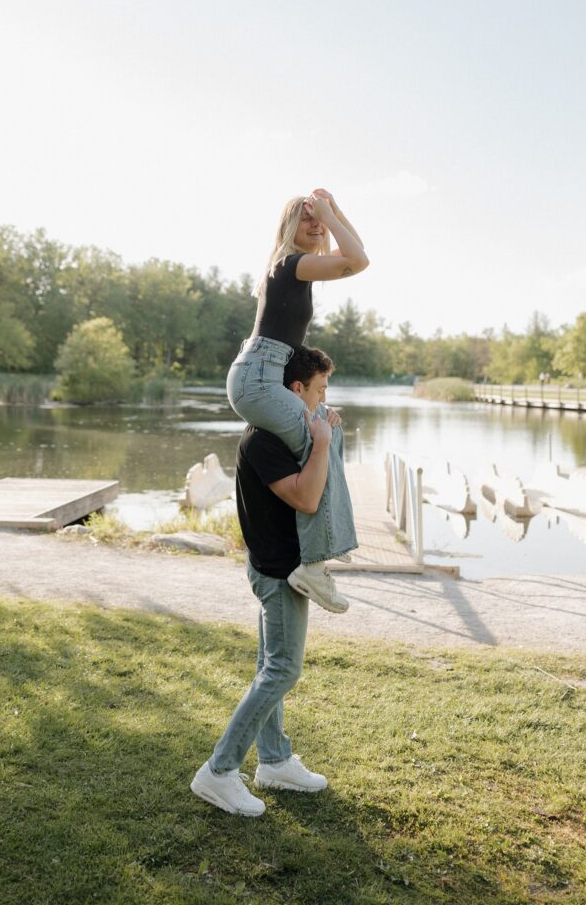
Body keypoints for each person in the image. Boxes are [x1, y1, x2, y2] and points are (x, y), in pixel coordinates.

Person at [191, 347, 343, 817]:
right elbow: (308, 498)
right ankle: (218, 771)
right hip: (279, 573)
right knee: (282, 670)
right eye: (318, 390)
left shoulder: (283, 430)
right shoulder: (264, 440)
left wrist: (324, 432)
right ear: (294, 390)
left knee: (270, 667)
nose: (322, 399)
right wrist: (320, 443)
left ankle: (275, 761)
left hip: (278, 566)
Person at [226, 188, 369, 612]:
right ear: (289, 226)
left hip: (265, 375)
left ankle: (316, 559)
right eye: (307, 218)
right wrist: (328, 212)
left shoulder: (297, 268)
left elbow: (356, 253)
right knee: (318, 438)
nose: (317, 225)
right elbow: (358, 261)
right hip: (258, 380)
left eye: (319, 221)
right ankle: (313, 563)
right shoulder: (291, 265)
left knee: (332, 433)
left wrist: (336, 211)